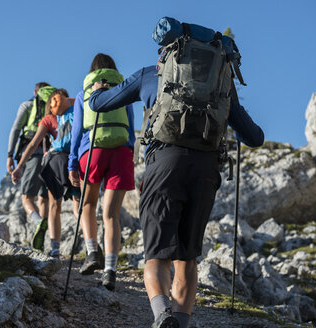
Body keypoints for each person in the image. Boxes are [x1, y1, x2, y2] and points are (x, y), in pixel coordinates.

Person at [88, 62, 264, 326]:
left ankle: (162, 314)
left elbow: (100, 104)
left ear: (167, 52)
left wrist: (96, 90)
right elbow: (254, 137)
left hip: (164, 165)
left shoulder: (151, 74)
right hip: (205, 170)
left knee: (157, 256)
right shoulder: (219, 82)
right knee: (187, 258)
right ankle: (180, 323)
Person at [68, 53, 135, 291]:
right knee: (112, 215)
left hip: (92, 151)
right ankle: (110, 269)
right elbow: (130, 126)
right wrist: (130, 151)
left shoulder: (82, 94)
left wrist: (72, 163)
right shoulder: (124, 91)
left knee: (88, 204)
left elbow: (76, 131)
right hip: (121, 152)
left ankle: (92, 251)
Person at [12, 89, 80, 258]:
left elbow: (34, 143)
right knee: (78, 204)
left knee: (54, 206)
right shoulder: (76, 109)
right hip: (77, 160)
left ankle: (55, 248)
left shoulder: (48, 119)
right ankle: (90, 244)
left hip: (55, 162)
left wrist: (19, 165)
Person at [7, 83, 56, 251]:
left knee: (26, 197)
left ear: (35, 93)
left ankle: (37, 221)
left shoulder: (28, 105)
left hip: (33, 154)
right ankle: (43, 242)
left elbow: (15, 129)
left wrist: (9, 155)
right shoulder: (53, 106)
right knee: (44, 199)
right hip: (52, 155)